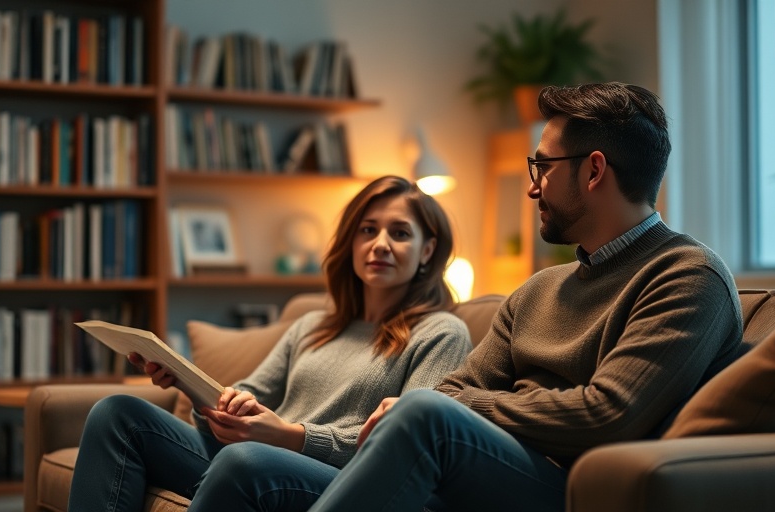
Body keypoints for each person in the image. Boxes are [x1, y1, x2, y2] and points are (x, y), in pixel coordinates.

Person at [308, 82, 745, 512]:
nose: (533, 188)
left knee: (425, 413)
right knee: (251, 463)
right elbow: (457, 387)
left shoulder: (688, 277)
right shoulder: (539, 289)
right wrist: (456, 404)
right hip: (473, 469)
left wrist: (457, 407)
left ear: (594, 171)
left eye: (544, 167)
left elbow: (607, 415)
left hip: (563, 488)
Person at [67, 175, 473, 512]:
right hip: (257, 461)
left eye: (400, 233)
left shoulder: (440, 332)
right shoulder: (312, 325)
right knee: (118, 414)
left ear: (428, 250)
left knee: (246, 459)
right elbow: (247, 396)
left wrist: (289, 435)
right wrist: (194, 389)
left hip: (345, 484)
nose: (380, 243)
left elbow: (407, 451)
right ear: (351, 242)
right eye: (368, 230)